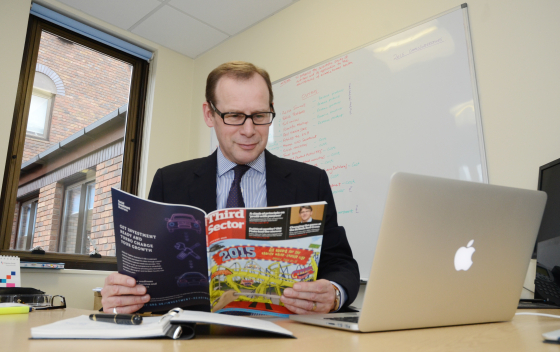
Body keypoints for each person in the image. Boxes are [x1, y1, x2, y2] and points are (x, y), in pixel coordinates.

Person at [101, 61, 360, 315]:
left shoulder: (310, 181)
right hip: (197, 335)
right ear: (209, 114)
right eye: (234, 116)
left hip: (286, 333)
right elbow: (151, 271)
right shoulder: (169, 182)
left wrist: (334, 293)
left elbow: (339, 263)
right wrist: (124, 296)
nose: (249, 130)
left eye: (259, 116)